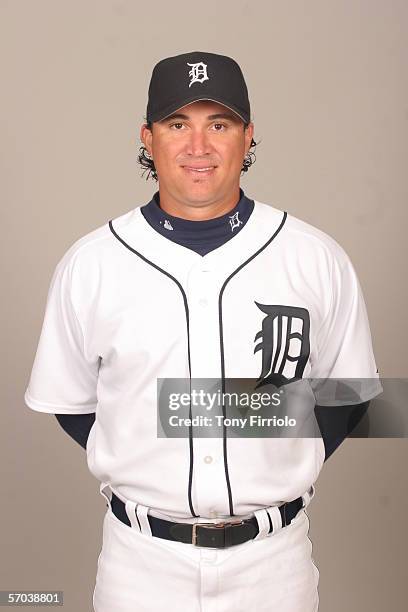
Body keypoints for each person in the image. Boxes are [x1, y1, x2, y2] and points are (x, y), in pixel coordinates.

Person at [24, 51, 382, 612]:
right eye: (177, 124)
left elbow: (352, 394)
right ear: (147, 137)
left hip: (275, 565)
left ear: (247, 136)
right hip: (140, 566)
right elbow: (71, 403)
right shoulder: (90, 263)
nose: (199, 146)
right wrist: (142, 445)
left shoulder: (315, 257)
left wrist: (282, 450)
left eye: (219, 123)